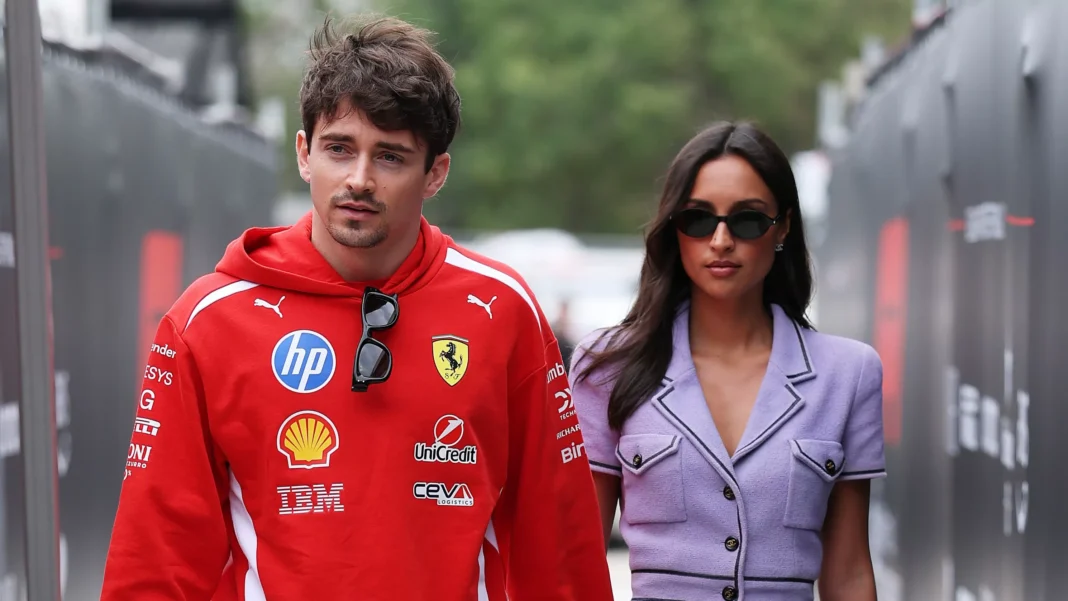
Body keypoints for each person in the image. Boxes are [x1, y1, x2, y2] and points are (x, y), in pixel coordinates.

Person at [100, 15, 614, 600]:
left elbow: (562, 554)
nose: (360, 179)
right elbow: (155, 559)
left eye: (390, 157)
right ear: (304, 153)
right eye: (339, 149)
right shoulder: (208, 320)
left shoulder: (502, 310)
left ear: (435, 174)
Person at [570, 121, 885, 601]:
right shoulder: (607, 366)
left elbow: (850, 573)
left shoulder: (848, 373)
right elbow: (579, 561)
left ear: (782, 226)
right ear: (674, 228)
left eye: (747, 219)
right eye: (698, 219)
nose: (720, 240)